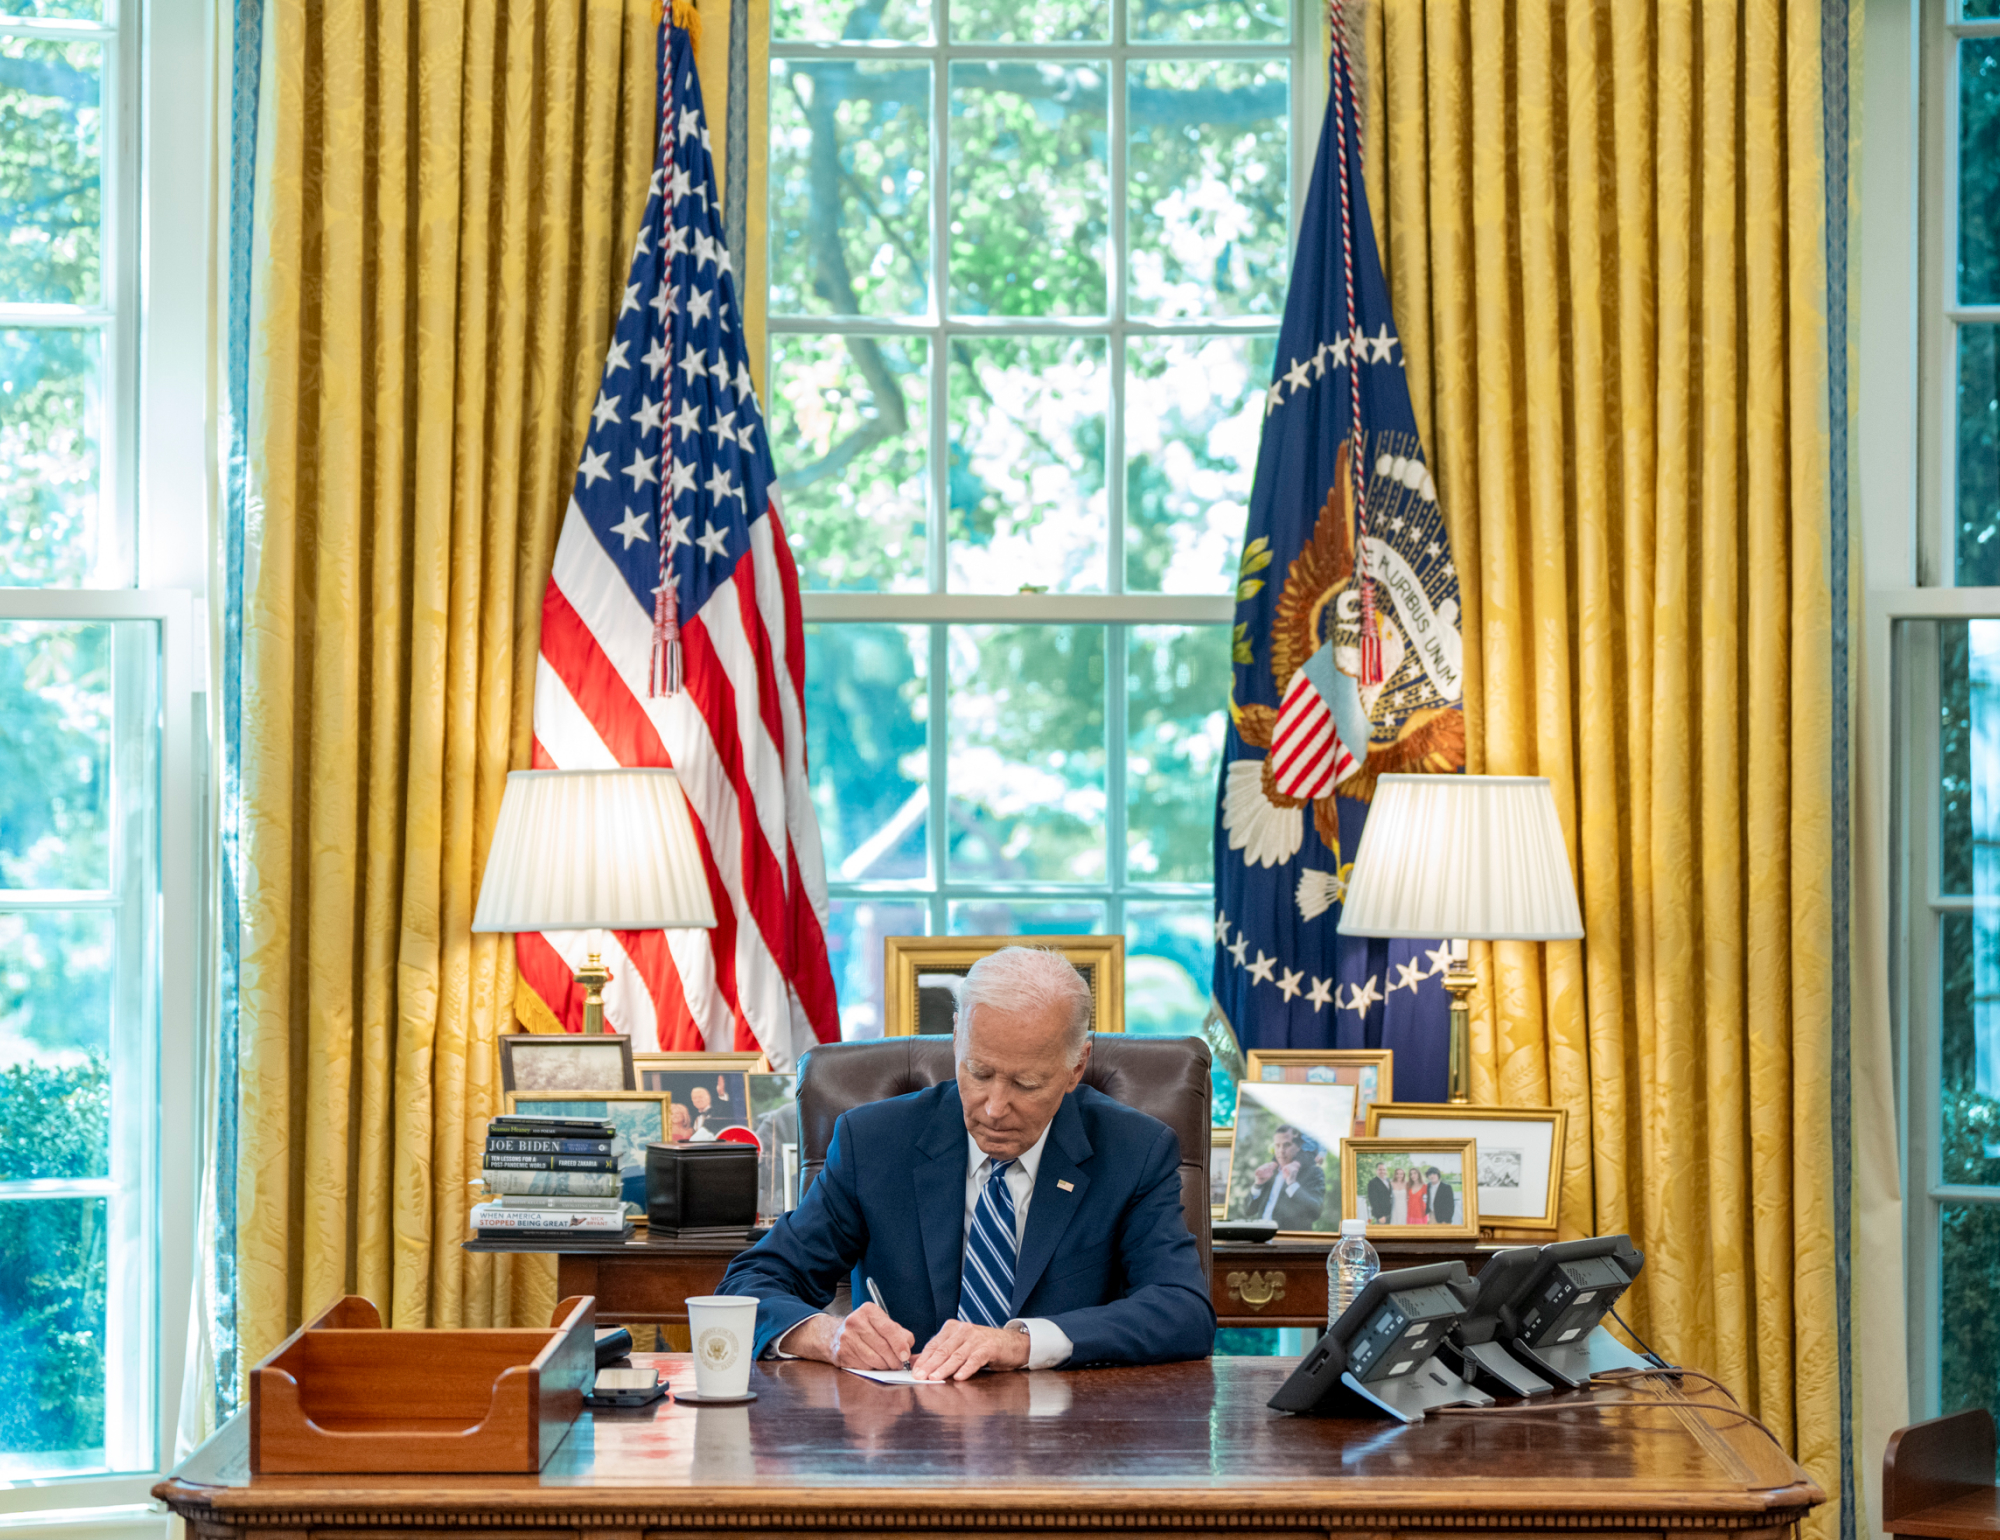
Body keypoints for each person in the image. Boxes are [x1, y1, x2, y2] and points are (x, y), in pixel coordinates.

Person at [719, 946, 1215, 1377]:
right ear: (957, 1036)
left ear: (1076, 1066)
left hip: (1065, 1431)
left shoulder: (1133, 1150)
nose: (995, 1107)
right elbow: (747, 1286)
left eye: (1026, 1084)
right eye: (978, 1072)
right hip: (903, 1427)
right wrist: (824, 1334)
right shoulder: (873, 1142)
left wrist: (1021, 1343)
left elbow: (1183, 1310)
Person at [1244, 1125, 1327, 1231]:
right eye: (1277, 1145)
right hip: (1262, 1238)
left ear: (1299, 1147)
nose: (1281, 1151)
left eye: (1287, 1145)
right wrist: (1258, 1184)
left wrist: (1292, 1184)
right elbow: (1248, 1210)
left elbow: (1315, 1211)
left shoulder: (1313, 1173)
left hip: (1289, 1240)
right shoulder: (1269, 1172)